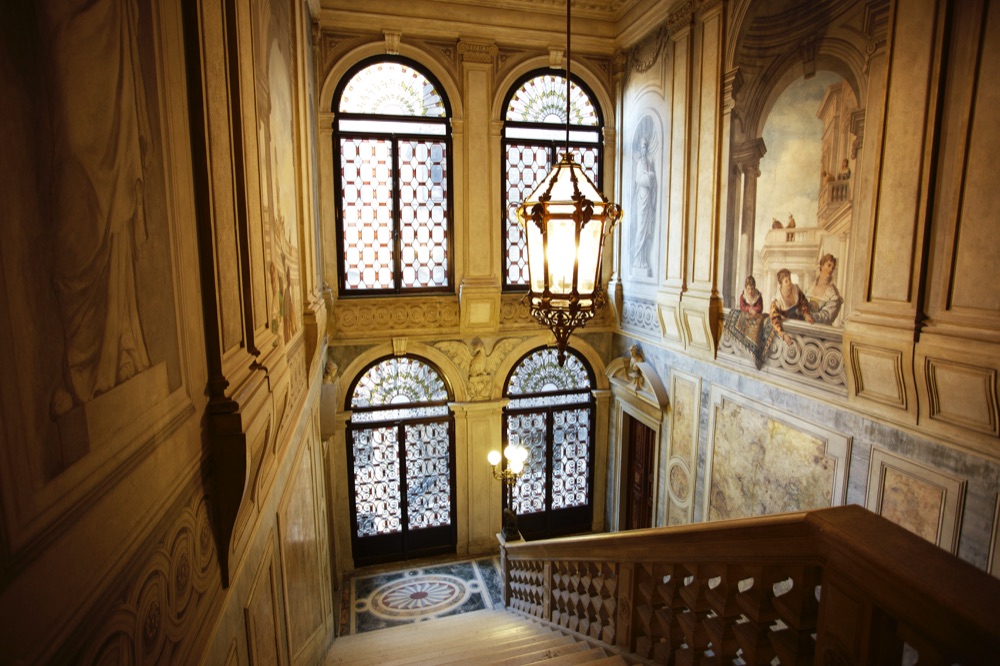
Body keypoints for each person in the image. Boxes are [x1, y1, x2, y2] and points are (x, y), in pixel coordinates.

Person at [631, 134, 657, 275]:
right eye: (642, 147)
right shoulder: (640, 163)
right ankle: (637, 259)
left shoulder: (648, 162)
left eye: (645, 147)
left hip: (647, 199)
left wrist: (650, 177)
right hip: (641, 197)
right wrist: (648, 177)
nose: (644, 150)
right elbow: (639, 179)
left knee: (646, 230)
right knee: (640, 229)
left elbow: (652, 181)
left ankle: (643, 260)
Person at [770, 268, 813, 345]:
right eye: (786, 281)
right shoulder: (777, 300)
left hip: (799, 322)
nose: (789, 282)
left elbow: (803, 302)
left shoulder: (795, 289)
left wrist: (806, 314)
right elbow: (774, 320)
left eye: (789, 279)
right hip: (787, 327)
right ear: (781, 283)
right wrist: (783, 335)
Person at [808, 254, 843, 324]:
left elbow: (827, 317)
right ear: (821, 265)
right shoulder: (812, 286)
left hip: (820, 328)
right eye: (829, 265)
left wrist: (808, 315)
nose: (831, 269)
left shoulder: (833, 293)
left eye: (833, 268)